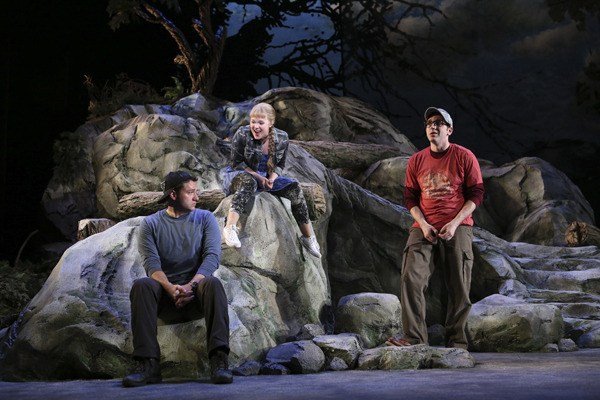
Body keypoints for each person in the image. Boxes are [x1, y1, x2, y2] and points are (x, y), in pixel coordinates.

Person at [122, 170, 233, 387]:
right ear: (173, 195)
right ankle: (147, 364)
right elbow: (151, 264)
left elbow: (212, 258)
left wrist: (191, 286)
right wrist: (170, 288)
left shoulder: (205, 219)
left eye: (196, 192)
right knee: (142, 285)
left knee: (212, 283)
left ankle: (219, 360)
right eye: (190, 192)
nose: (196, 197)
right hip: (165, 297)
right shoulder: (151, 224)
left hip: (197, 294)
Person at [388, 107, 484, 350]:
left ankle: (457, 342)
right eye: (430, 122)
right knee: (411, 277)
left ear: (449, 130)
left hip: (457, 225)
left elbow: (476, 194)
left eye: (439, 122)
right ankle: (414, 338)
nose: (433, 126)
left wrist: (455, 223)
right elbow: (410, 198)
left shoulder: (464, 156)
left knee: (459, 284)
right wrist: (423, 224)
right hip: (424, 226)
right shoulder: (417, 160)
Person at [221, 102, 321, 258]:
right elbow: (236, 163)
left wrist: (272, 178)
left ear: (270, 123)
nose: (256, 126)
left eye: (261, 123)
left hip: (266, 176)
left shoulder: (282, 138)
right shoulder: (242, 133)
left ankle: (308, 237)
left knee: (294, 187)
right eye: (253, 122)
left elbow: (280, 165)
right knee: (249, 182)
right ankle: (230, 227)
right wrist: (258, 177)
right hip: (240, 173)